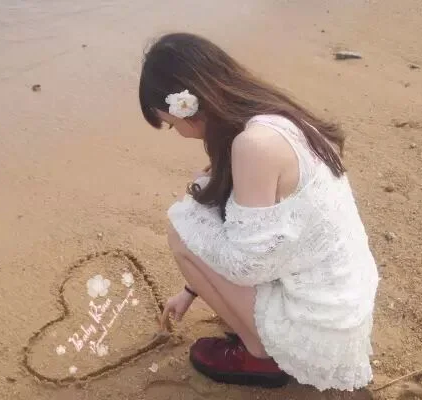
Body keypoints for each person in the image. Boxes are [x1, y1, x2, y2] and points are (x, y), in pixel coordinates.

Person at [138, 32, 379, 392]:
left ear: (185, 107)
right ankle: (259, 332)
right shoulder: (274, 117)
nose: (178, 133)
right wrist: (191, 289)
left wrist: (193, 222)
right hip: (341, 306)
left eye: (172, 124)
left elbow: (248, 267)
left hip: (318, 327)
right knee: (201, 212)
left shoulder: (253, 146)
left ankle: (259, 355)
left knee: (182, 229)